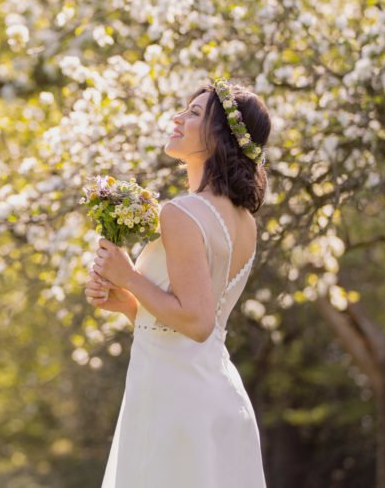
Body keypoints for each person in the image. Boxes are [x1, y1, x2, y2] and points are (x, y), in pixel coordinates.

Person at [86, 77, 271, 487]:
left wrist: (129, 276)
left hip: (175, 402)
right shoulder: (244, 222)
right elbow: (187, 325)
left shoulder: (183, 212)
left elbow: (199, 322)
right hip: (208, 392)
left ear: (219, 135)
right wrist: (129, 304)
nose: (177, 117)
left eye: (193, 113)